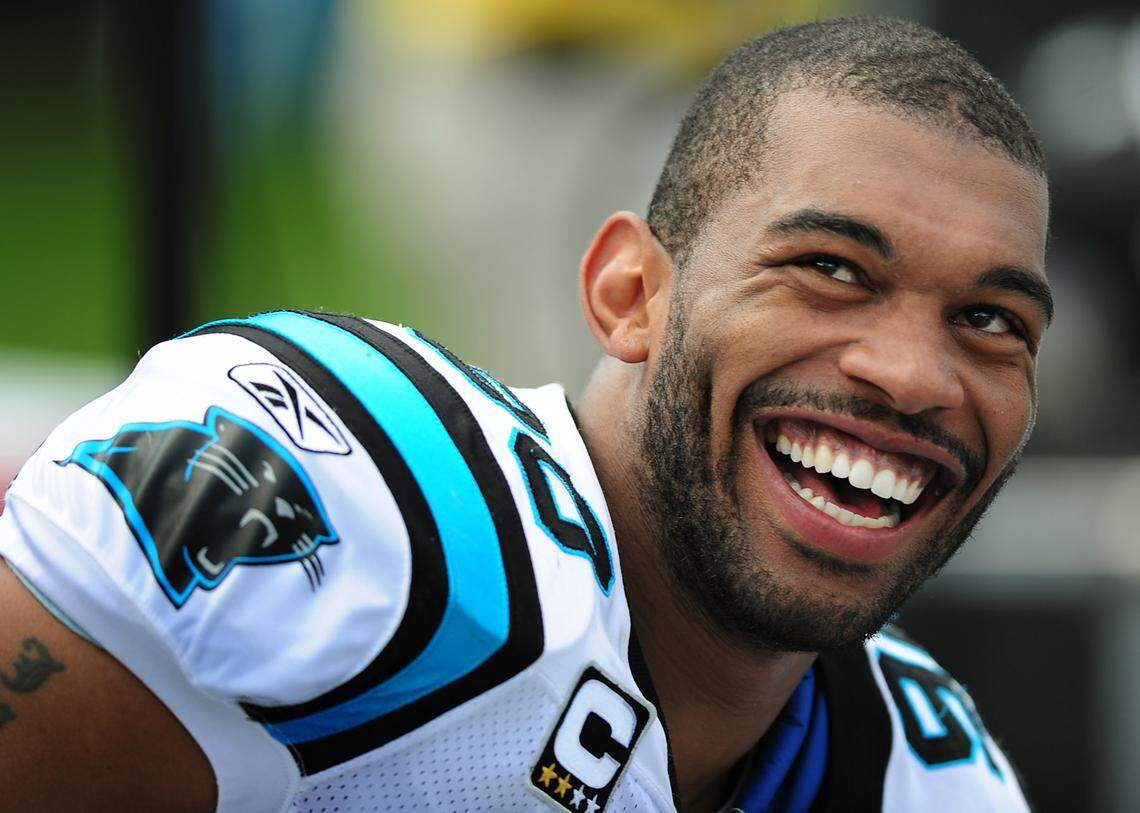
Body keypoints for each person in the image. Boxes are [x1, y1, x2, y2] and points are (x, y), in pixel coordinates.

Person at [0, 16, 1049, 813]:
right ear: (630, 293)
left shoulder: (928, 778)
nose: (916, 375)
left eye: (993, 321)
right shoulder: (343, 508)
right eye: (828, 268)